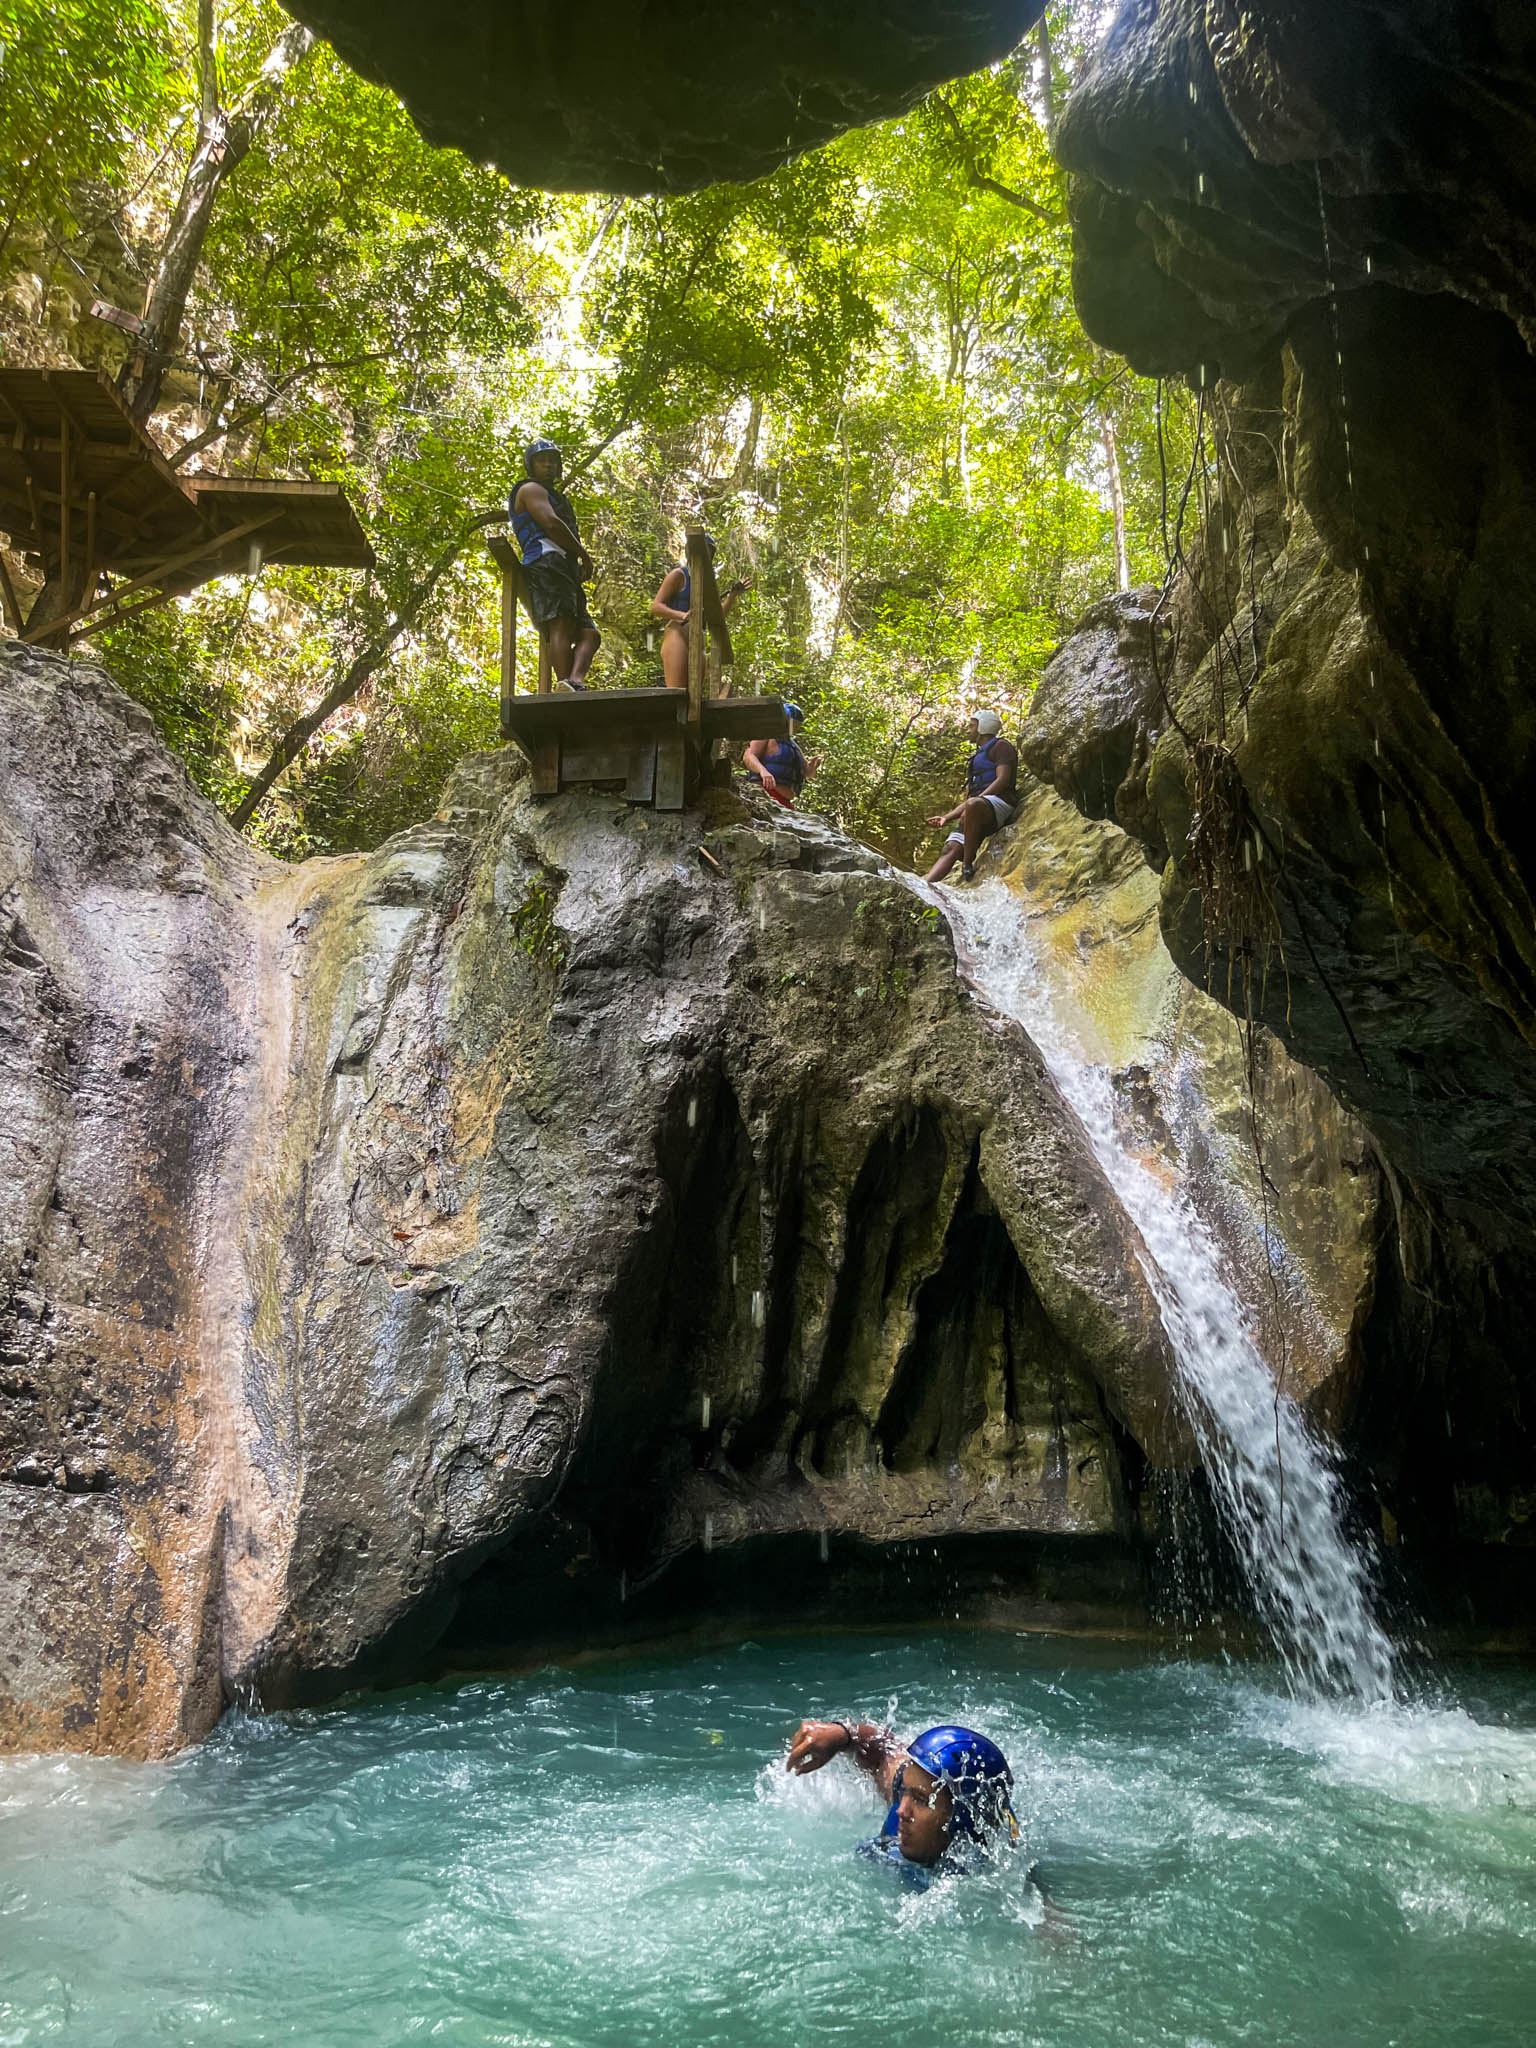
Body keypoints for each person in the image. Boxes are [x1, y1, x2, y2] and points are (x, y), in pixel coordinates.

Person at [785, 1715, 1019, 1885]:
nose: (901, 1811)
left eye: (919, 1800)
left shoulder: (999, 1877)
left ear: (960, 1816)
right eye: (905, 1791)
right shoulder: (913, 1788)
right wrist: (842, 1735)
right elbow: (883, 1752)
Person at [510, 438, 601, 692]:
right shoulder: (530, 489)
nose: (548, 465)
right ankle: (564, 685)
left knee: (589, 634)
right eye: (542, 461)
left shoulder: (556, 496)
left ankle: (572, 683)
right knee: (559, 625)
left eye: (553, 461)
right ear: (531, 466)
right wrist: (584, 554)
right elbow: (550, 523)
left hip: (563, 568)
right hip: (546, 561)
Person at [923, 710, 1019, 884]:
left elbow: (1003, 779)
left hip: (1000, 803)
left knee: (974, 804)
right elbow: (971, 802)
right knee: (951, 848)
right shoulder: (977, 757)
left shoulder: (1001, 746)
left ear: (983, 727)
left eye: (971, 726)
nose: (967, 730)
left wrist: (973, 804)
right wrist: (946, 818)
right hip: (979, 806)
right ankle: (924, 887)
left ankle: (967, 863)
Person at [649, 536, 751, 691]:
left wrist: (732, 596)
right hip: (678, 632)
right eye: (700, 552)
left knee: (694, 698)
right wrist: (681, 615)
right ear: (689, 553)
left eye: (707, 554)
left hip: (698, 639)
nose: (703, 557)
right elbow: (656, 606)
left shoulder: (706, 585)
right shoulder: (679, 575)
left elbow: (716, 618)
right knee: (678, 693)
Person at [744, 702, 817, 809]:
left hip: (785, 801)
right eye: (794, 723)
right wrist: (763, 771)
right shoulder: (767, 735)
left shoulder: (793, 746)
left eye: (798, 725)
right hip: (766, 794)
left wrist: (811, 768)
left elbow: (807, 774)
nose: (796, 727)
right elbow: (748, 756)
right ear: (784, 719)